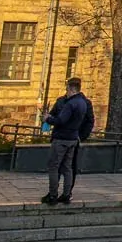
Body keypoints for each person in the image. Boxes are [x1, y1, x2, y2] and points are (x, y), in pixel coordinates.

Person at [42, 77, 94, 206]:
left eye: (67, 89)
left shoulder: (74, 103)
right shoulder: (77, 102)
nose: (66, 91)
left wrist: (48, 119)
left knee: (56, 166)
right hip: (71, 138)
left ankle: (55, 195)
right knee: (67, 167)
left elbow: (61, 120)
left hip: (64, 138)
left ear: (71, 88)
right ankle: (64, 194)